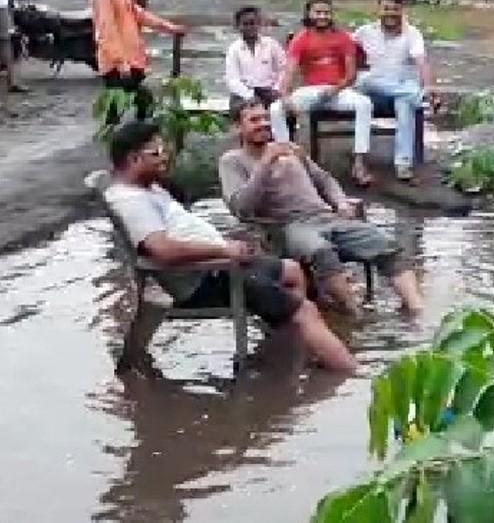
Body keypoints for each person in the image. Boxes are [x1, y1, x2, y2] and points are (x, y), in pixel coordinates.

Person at [103, 121, 357, 374]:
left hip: (217, 267)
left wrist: (225, 245)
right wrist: (224, 252)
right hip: (206, 277)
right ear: (135, 159)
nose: (165, 157)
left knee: (291, 270)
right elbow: (162, 251)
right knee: (306, 309)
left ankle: (288, 353)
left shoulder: (145, 187)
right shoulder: (132, 201)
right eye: (156, 153)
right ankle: (349, 373)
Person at [220, 99, 425, 315]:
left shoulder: (290, 151)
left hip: (326, 217)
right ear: (238, 127)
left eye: (266, 118)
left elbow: (324, 180)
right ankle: (355, 314)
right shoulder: (233, 161)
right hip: (286, 226)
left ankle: (417, 310)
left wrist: (341, 202)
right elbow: (241, 207)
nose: (263, 124)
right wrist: (265, 163)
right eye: (254, 120)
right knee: (320, 251)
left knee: (385, 244)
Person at [269, 0, 375, 187]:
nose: (322, 16)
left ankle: (359, 162)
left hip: (338, 90)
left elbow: (351, 75)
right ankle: (287, 162)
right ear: (309, 14)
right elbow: (290, 71)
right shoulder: (301, 39)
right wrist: (284, 96)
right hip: (311, 92)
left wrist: (335, 89)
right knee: (276, 109)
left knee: (364, 104)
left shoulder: (343, 38)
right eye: (318, 12)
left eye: (326, 12)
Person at [91, 0, 187, 126]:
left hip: (130, 60)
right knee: (129, 105)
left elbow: (137, 13)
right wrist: (121, 64)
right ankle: (124, 143)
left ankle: (127, 141)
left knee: (130, 105)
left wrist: (169, 28)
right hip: (118, 64)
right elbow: (106, 31)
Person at [353, 0, 436, 181]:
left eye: (395, 9)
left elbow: (422, 61)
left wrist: (429, 85)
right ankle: (418, 96)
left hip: (398, 91)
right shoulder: (364, 32)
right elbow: (345, 51)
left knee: (404, 103)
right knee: (366, 79)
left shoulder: (412, 34)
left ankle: (403, 164)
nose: (391, 13)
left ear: (402, 11)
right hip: (370, 91)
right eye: (386, 9)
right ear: (378, 10)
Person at [225, 6, 288, 108]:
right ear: (238, 26)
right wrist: (249, 96)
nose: (250, 27)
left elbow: (284, 69)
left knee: (286, 109)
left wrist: (277, 89)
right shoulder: (234, 49)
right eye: (245, 24)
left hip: (270, 91)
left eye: (252, 23)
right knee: (244, 111)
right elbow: (232, 80)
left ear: (259, 24)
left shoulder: (272, 44)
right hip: (243, 93)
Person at [0, 0, 19, 107]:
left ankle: (11, 82)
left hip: (2, 1)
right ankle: (11, 82)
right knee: (5, 42)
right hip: (1, 3)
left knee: (5, 42)